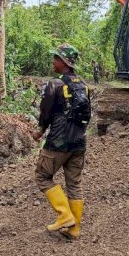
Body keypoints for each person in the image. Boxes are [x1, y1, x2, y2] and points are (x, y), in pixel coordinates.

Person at [33, 43, 88, 240]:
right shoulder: (83, 84)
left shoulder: (54, 84)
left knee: (42, 176)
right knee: (74, 183)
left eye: (55, 58)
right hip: (79, 142)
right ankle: (74, 229)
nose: (53, 61)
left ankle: (64, 216)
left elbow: (45, 112)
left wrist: (39, 131)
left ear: (63, 62)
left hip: (58, 141)